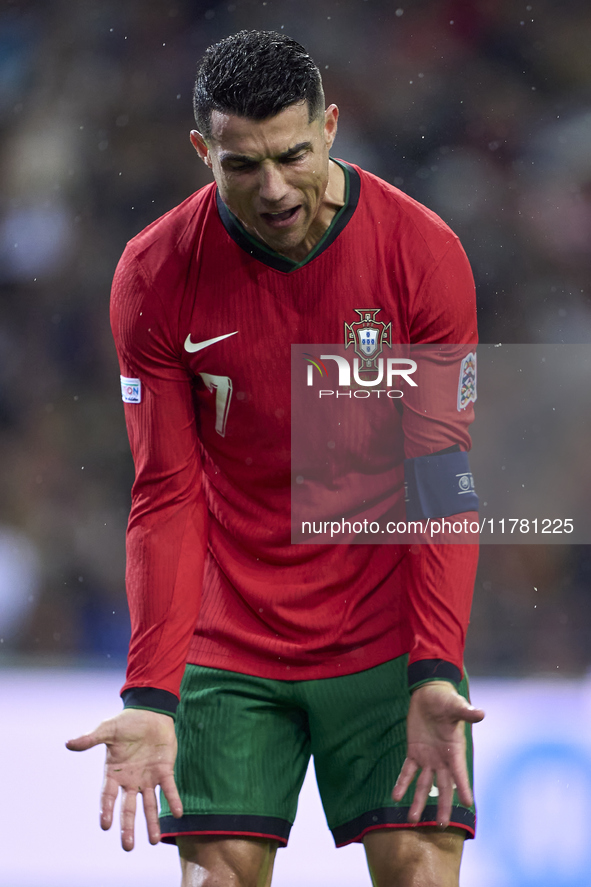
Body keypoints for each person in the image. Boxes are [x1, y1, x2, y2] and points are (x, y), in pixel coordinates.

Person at [67, 30, 484, 887]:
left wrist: (436, 660)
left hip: (384, 634)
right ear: (201, 151)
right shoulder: (153, 274)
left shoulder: (421, 252)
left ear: (330, 125)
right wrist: (149, 692)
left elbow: (439, 473)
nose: (273, 187)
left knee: (419, 870)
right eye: (240, 164)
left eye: (292, 154)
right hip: (228, 636)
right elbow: (165, 494)